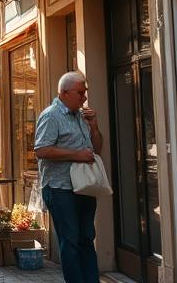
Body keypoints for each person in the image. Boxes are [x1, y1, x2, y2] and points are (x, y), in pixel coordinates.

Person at [34, 71, 104, 283]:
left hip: (84, 186)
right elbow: (41, 150)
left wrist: (94, 126)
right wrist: (76, 155)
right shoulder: (51, 115)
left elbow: (97, 149)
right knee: (71, 239)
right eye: (80, 93)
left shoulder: (82, 117)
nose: (84, 98)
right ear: (64, 93)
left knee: (86, 237)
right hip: (60, 187)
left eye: (85, 93)